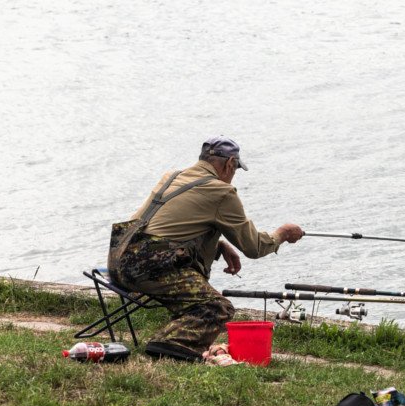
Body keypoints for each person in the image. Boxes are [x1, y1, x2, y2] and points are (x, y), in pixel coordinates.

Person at [107, 136, 303, 362]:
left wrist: (218, 246)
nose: (234, 174)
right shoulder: (222, 192)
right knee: (217, 307)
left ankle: (173, 340)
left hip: (119, 261)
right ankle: (170, 343)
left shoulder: (172, 176)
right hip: (149, 269)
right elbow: (254, 247)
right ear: (230, 163)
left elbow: (166, 228)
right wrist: (282, 234)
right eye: (236, 168)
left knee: (203, 301)